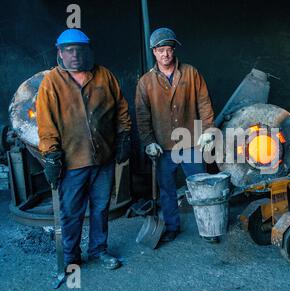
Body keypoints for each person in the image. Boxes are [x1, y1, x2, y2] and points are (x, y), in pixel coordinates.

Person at [36, 29, 132, 270]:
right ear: (60, 52)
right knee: (72, 213)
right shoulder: (51, 82)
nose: (75, 55)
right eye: (69, 50)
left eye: (79, 50)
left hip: (103, 158)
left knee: (100, 208)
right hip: (72, 161)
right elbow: (45, 122)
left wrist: (124, 135)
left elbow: (121, 107)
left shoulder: (104, 76)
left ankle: (99, 250)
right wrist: (51, 155)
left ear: (88, 51)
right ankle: (71, 257)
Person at [135, 27, 216, 244]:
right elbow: (142, 117)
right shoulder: (145, 82)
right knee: (167, 191)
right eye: (161, 50)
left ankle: (208, 226)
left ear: (174, 50)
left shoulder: (191, 73)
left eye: (169, 49)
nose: (166, 54)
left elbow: (204, 103)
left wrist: (208, 130)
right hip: (163, 146)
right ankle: (171, 227)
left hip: (190, 142)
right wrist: (149, 142)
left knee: (201, 187)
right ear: (154, 52)